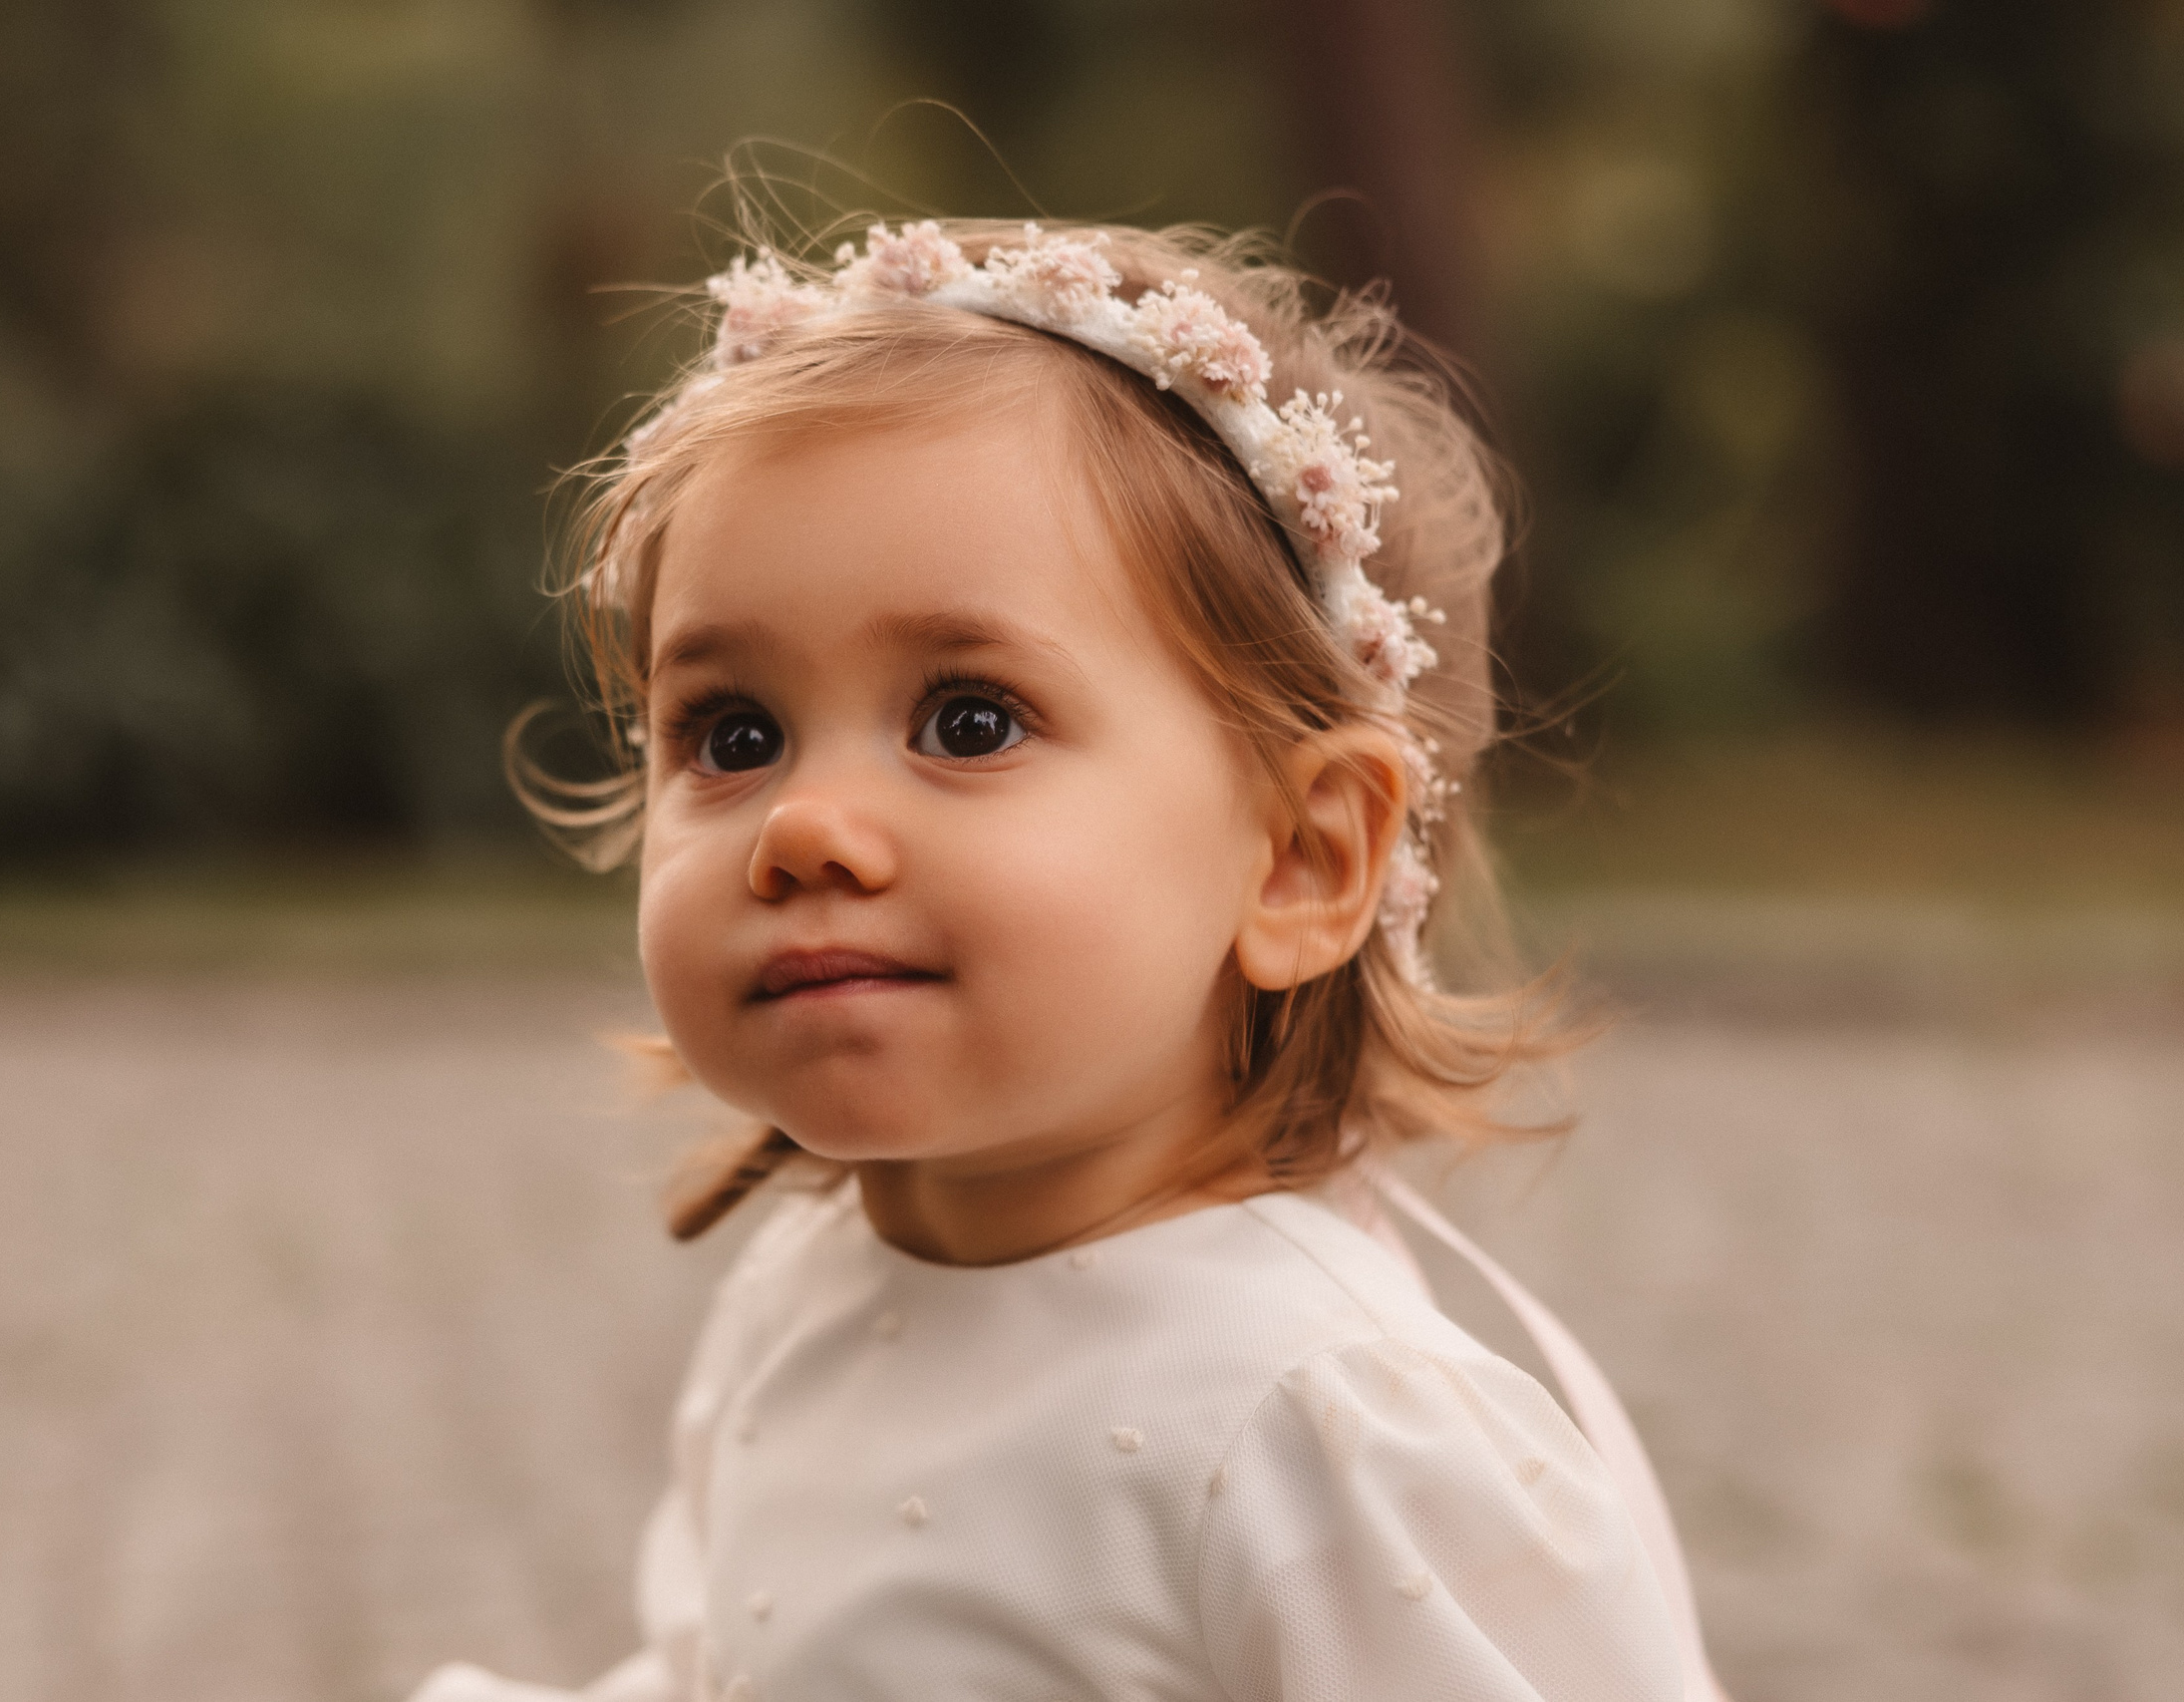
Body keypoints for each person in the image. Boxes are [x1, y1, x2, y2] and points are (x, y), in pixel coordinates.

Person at [417, 214, 1728, 1701]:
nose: (805, 827)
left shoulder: (1318, 1418)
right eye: (734, 736)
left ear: (1299, 859)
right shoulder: (803, 1296)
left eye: (969, 721)